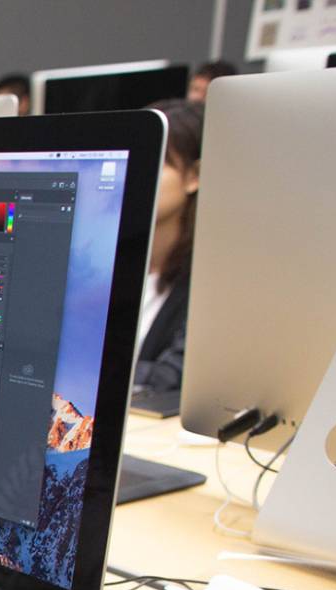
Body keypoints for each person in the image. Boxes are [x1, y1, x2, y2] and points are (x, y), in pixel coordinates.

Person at [136, 99, 203, 395]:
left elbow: (173, 375)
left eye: (156, 163)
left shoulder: (206, 280)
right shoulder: (107, 263)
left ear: (194, 176)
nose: (137, 175)